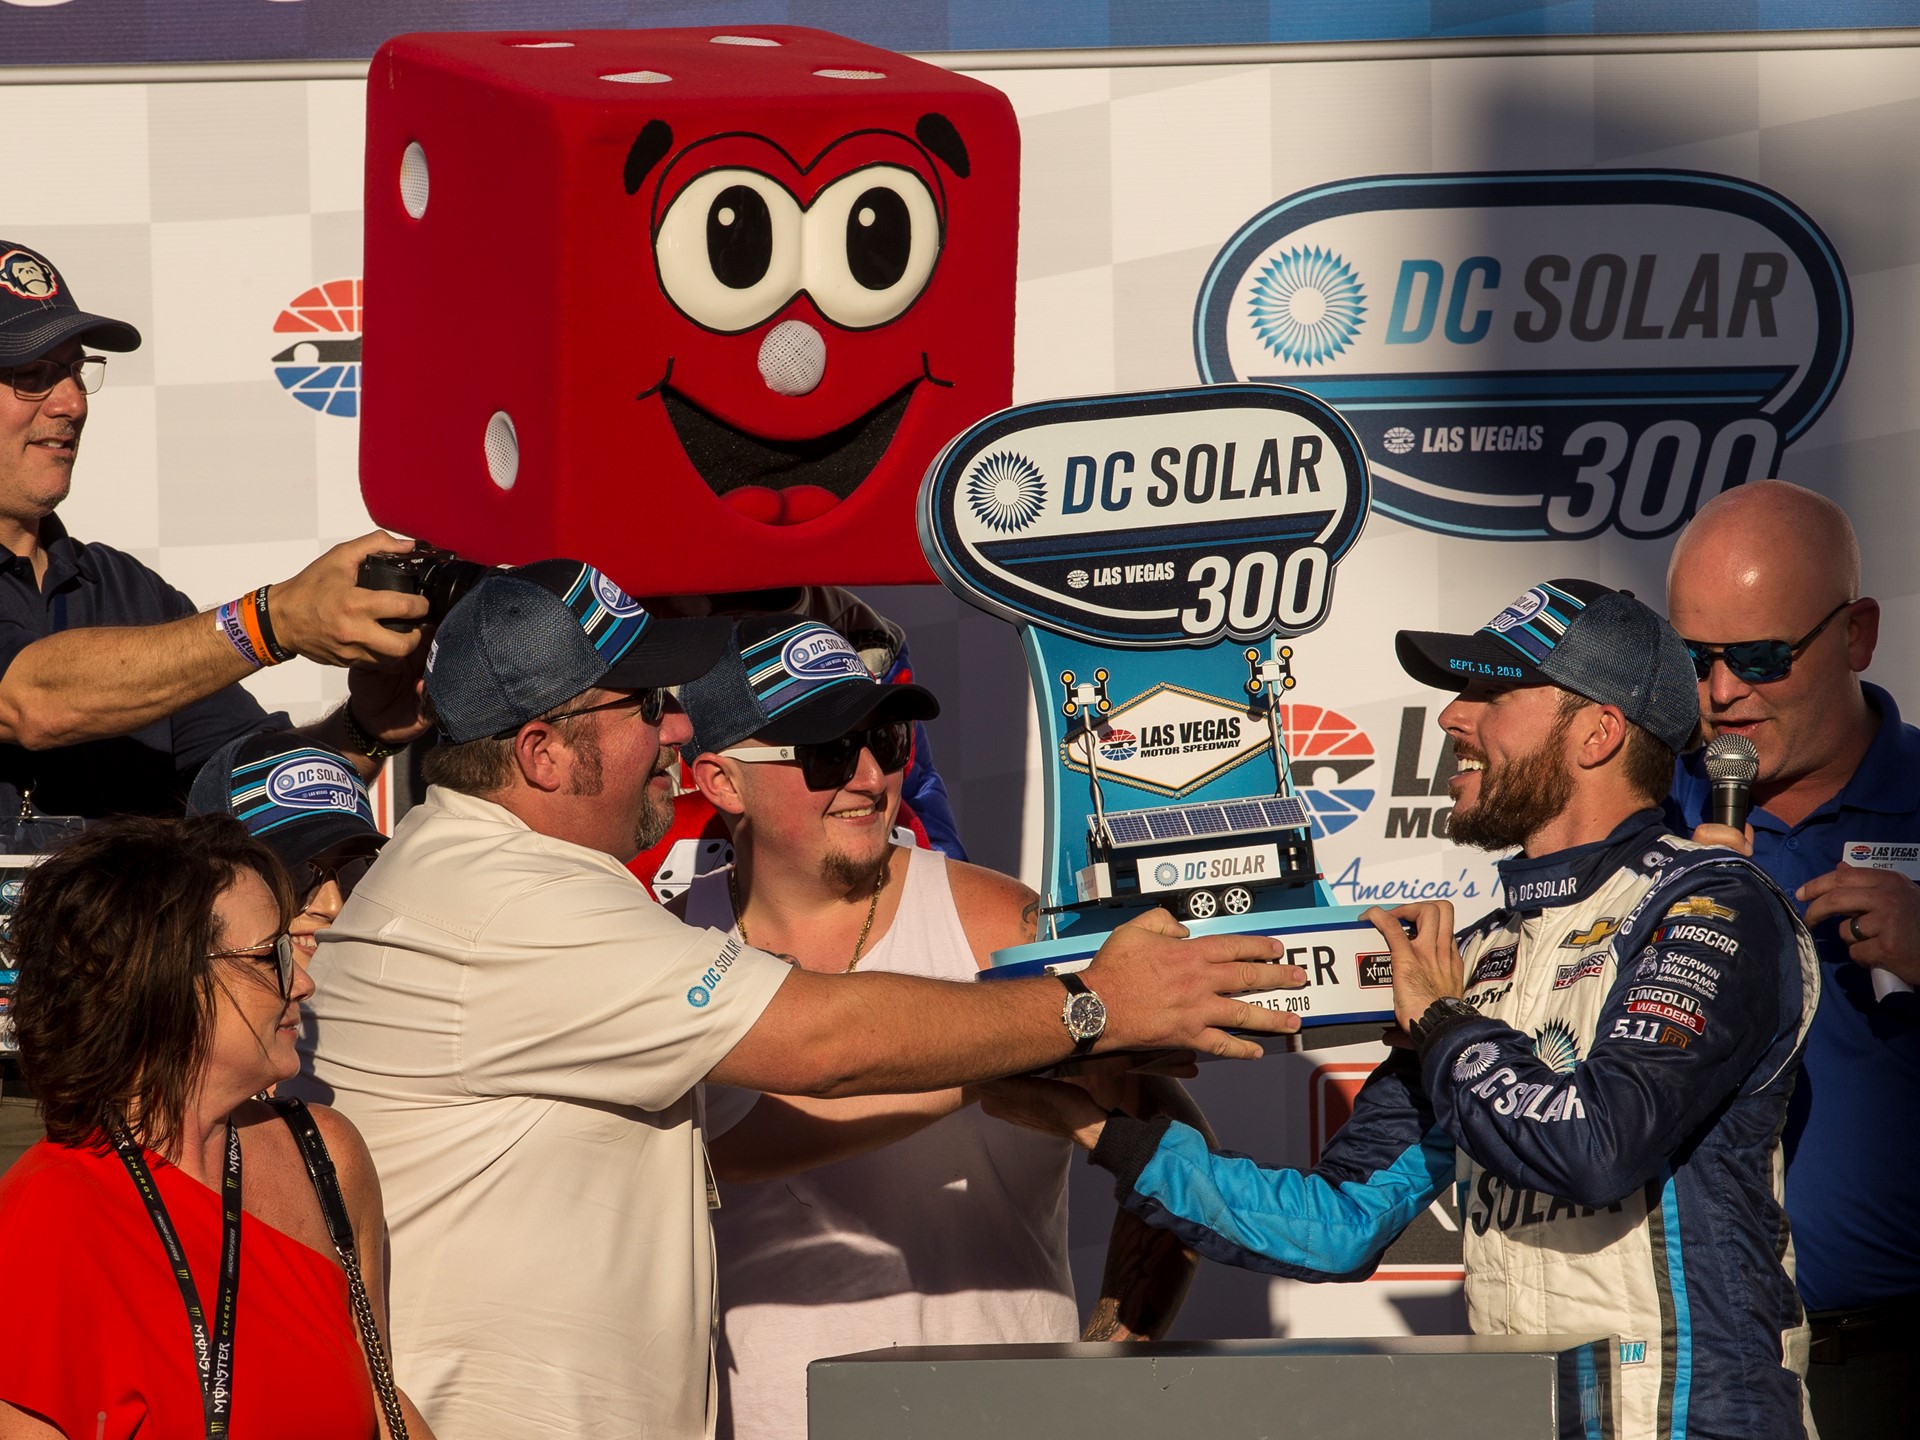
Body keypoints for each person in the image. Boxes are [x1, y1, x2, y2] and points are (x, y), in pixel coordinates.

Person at [297, 559, 1300, 1440]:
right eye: (643, 706)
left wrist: (1011, 1069)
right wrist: (1087, 1009)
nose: (668, 727)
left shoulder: (476, 879)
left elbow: (730, 1130)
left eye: (883, 741)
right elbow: (821, 1042)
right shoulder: (528, 908)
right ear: (543, 753)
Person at [979, 579, 1820, 1440]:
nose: (1453, 716)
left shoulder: (1712, 909)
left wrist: (1442, 1023)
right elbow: (1338, 1227)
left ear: (1598, 733)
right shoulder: (1482, 958)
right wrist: (1094, 1128)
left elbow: (1595, 1144)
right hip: (1530, 1417)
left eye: (1492, 692)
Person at [676, 615, 1206, 1440]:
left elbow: (1174, 1140)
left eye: (884, 739)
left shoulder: (1003, 931)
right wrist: (999, 1058)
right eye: (822, 751)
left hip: (1009, 1422)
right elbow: (700, 1159)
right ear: (720, 781)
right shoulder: (663, 951)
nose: (867, 778)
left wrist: (1116, 1344)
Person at [0, 814, 434, 1438]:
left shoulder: (325, 1157)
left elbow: (379, 1404)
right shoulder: (49, 1214)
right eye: (272, 957)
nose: (304, 983)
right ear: (167, 980)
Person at [0, 237, 433, 822]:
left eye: (76, 371)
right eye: (34, 374)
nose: (73, 403)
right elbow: (30, 699)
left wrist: (368, 728)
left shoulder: (126, 589)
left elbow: (250, 792)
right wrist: (274, 619)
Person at [1665, 481, 1920, 1437]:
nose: (1723, 693)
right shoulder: (1640, 818)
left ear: (1857, 635)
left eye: (1763, 657)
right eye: (1697, 658)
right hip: (1690, 1369)